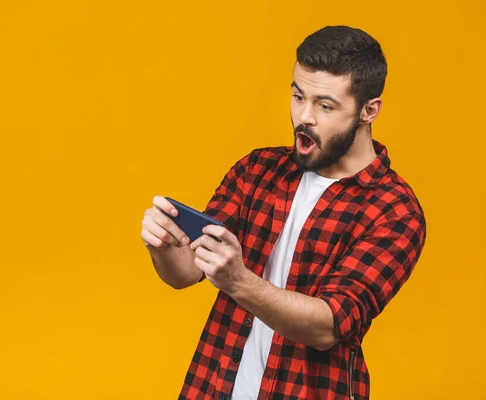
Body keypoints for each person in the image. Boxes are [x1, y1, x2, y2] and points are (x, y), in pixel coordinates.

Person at [140, 25, 426, 400]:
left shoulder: (394, 211)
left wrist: (238, 280)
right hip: (213, 386)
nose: (303, 117)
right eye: (297, 96)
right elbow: (186, 272)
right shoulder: (257, 170)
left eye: (325, 106)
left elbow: (329, 325)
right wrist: (163, 246)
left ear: (368, 111)